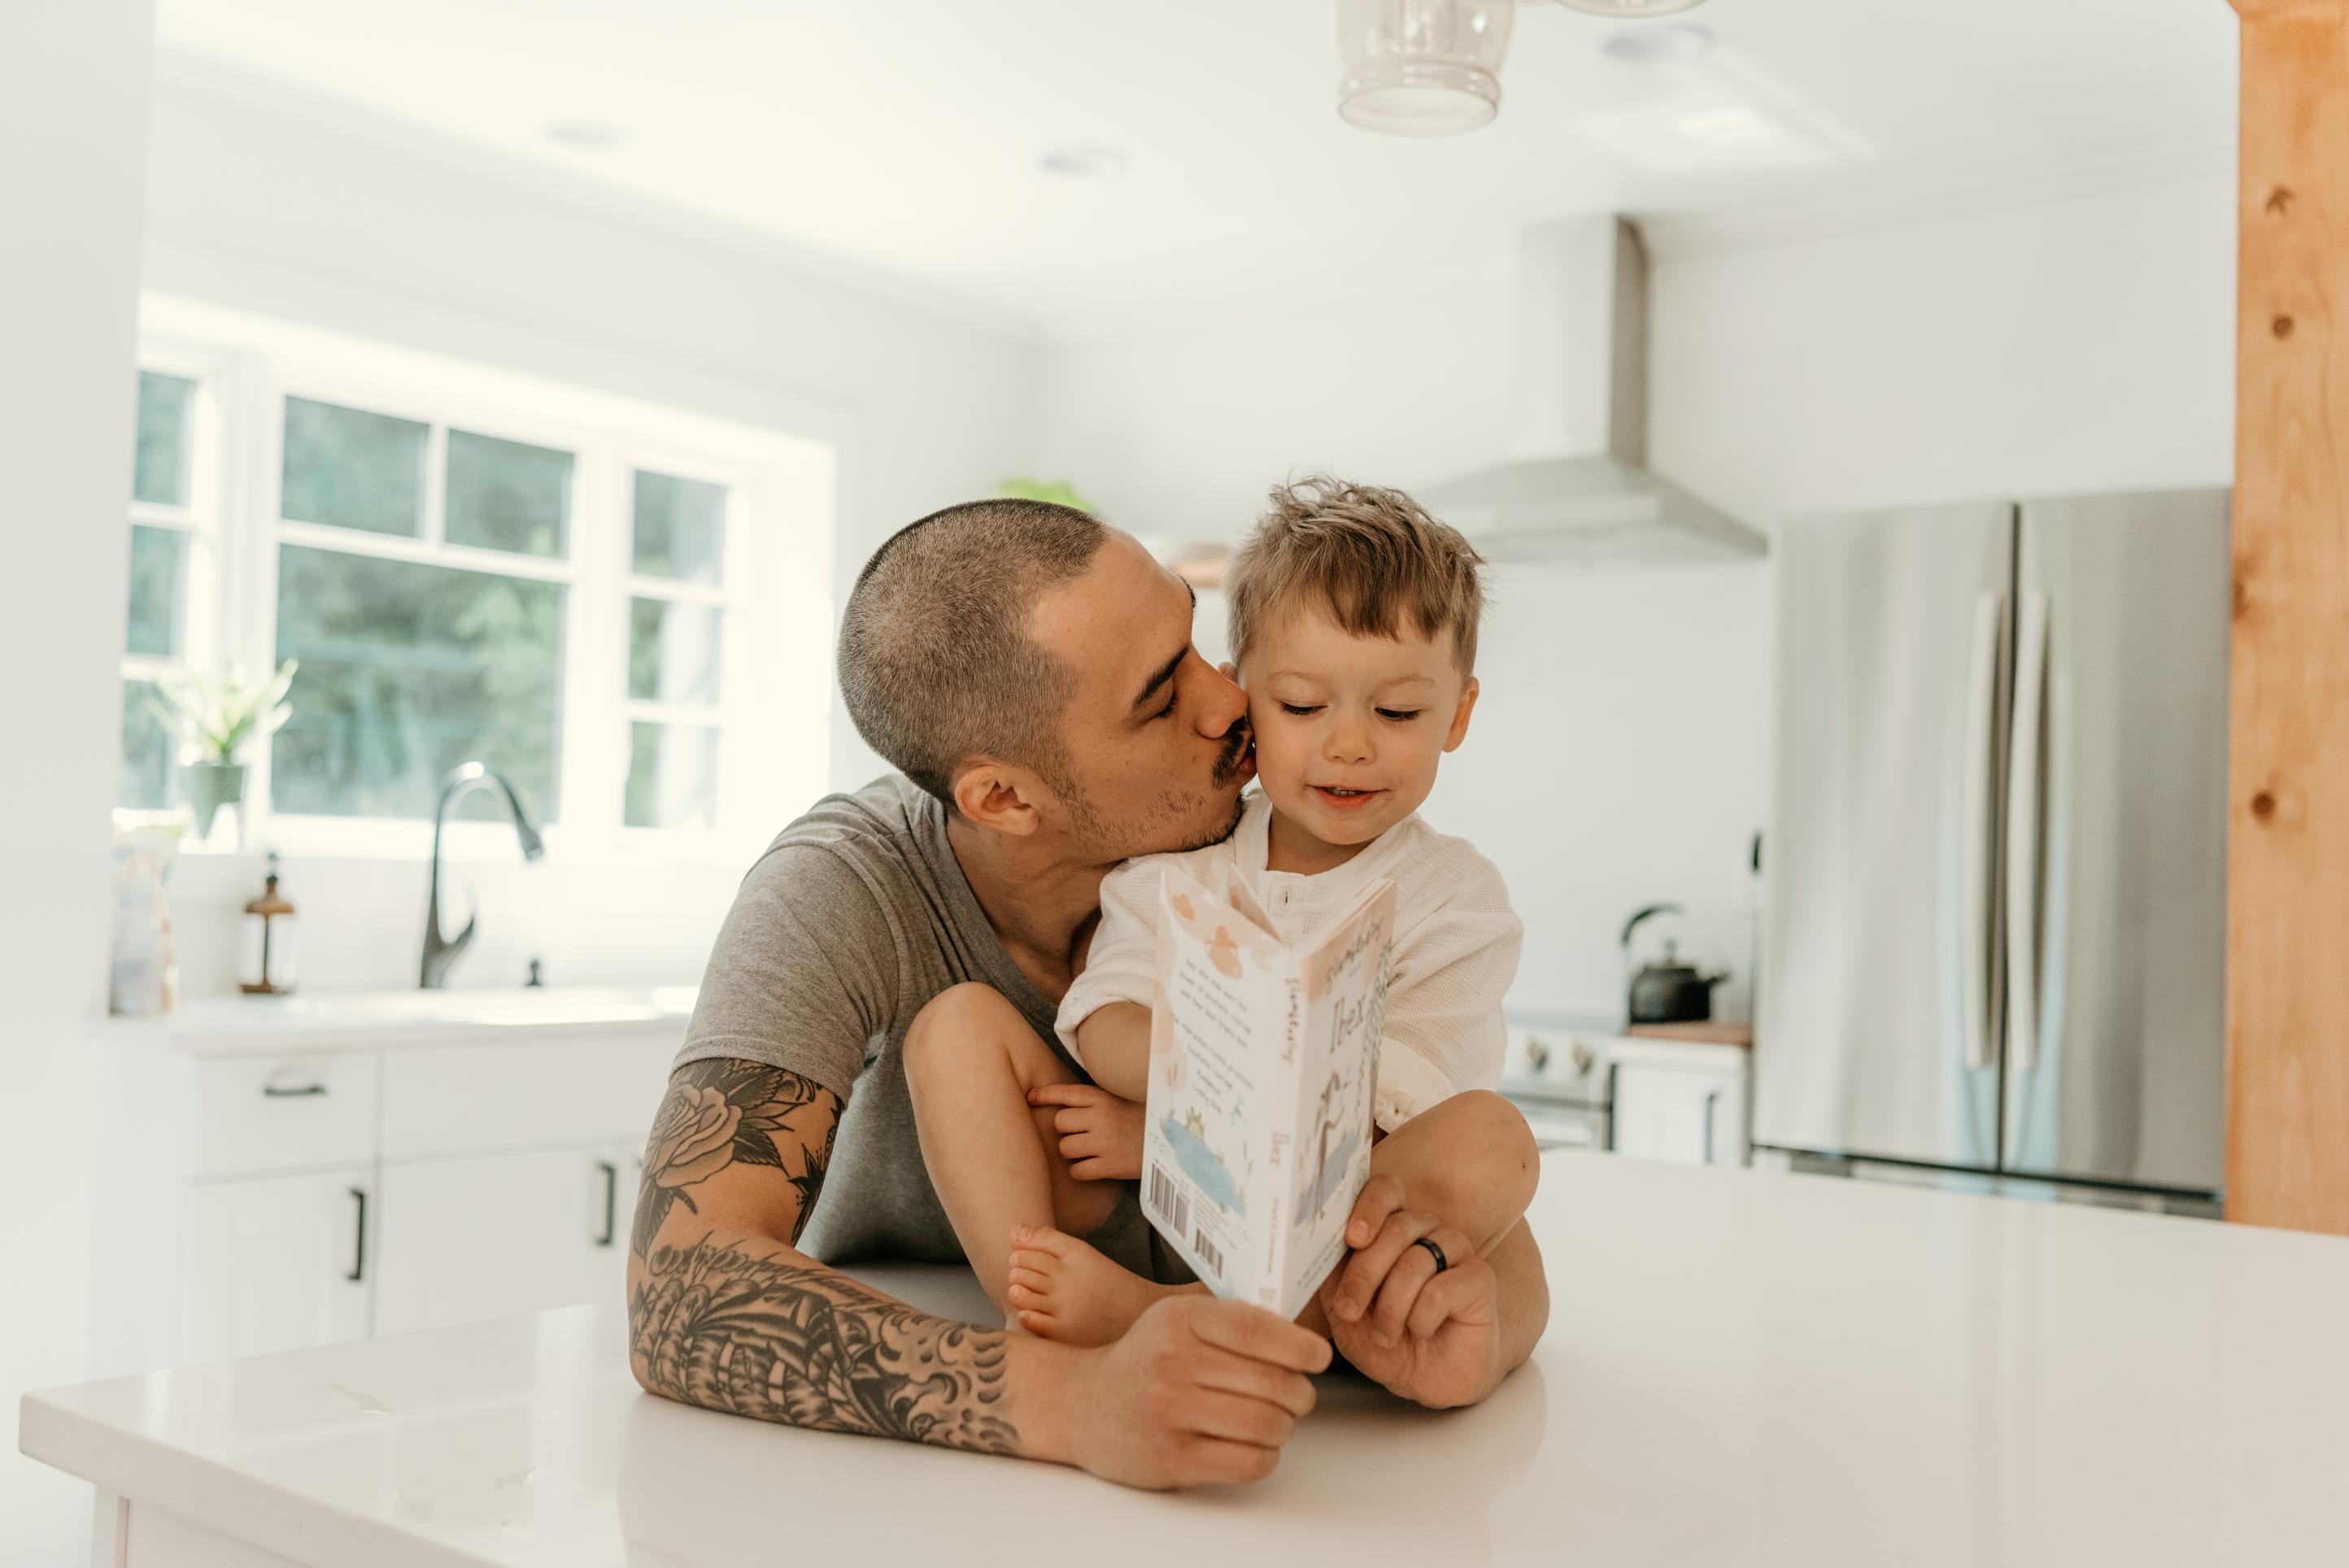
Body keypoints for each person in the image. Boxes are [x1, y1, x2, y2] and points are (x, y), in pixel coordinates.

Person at [626, 494, 1551, 1492]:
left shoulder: (1290, 849)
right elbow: (676, 1291)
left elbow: (1462, 1200)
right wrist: (1075, 1400)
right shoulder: (839, 891)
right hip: (1049, 1319)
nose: (1229, 702)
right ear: (1005, 797)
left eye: (1199, 645)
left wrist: (1481, 1330)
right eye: (1162, 695)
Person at [902, 477, 1535, 1349]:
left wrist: (1179, 1130)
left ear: (1456, 714)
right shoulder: (1178, 866)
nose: (1347, 743)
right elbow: (1104, 1013)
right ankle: (1038, 1303)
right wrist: (1172, 1123)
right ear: (1245, 696)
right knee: (955, 1027)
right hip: (1153, 1198)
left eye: (1396, 711)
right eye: (1302, 706)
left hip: (1329, 1230)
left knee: (1493, 1142)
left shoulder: (1455, 897)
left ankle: (1179, 1320)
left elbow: (1412, 1100)